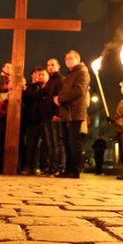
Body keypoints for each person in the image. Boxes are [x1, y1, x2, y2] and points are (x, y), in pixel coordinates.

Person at [54, 50, 90, 178]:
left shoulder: (82, 72)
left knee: (74, 142)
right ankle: (68, 169)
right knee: (66, 141)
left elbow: (79, 90)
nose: (67, 60)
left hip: (74, 112)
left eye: (70, 58)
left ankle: (74, 170)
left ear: (77, 59)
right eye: (65, 58)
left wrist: (60, 99)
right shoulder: (70, 74)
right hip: (65, 112)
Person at [41, 58, 65, 176]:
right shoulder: (50, 81)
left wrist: (58, 113)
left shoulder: (61, 80)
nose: (50, 67)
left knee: (57, 143)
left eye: (52, 65)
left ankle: (59, 168)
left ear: (58, 66)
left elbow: (61, 98)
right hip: (47, 115)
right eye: (48, 65)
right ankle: (52, 167)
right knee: (50, 144)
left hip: (55, 115)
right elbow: (42, 93)